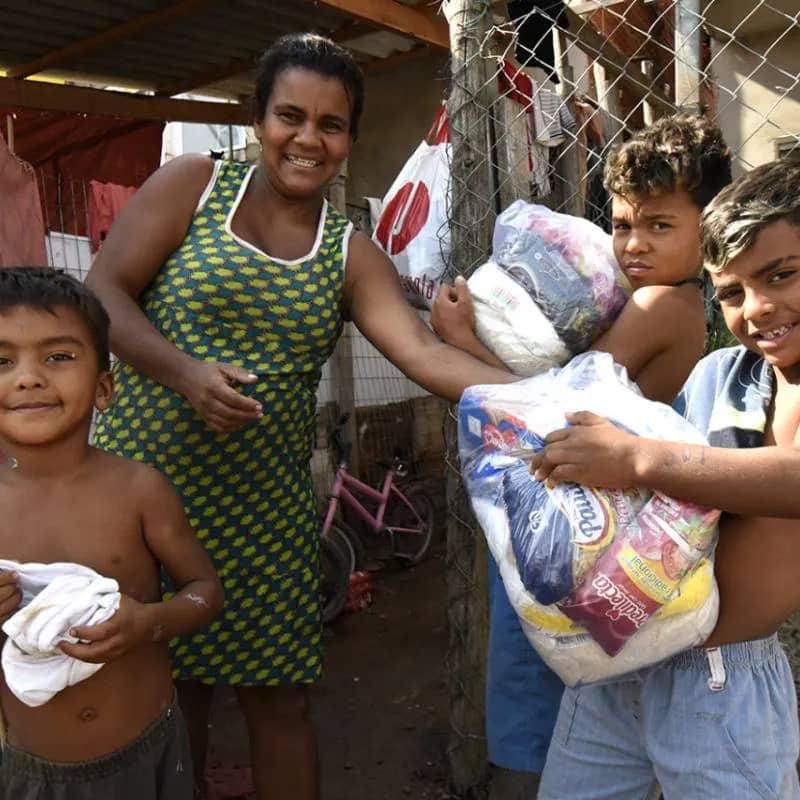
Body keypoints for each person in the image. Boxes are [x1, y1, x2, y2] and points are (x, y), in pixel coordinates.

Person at [85, 33, 514, 800]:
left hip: (262, 510)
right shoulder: (192, 187)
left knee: (277, 699)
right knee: (165, 694)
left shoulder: (348, 255)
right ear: (257, 120)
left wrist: (543, 398)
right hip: (142, 496)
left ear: (349, 137)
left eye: (332, 124)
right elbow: (102, 295)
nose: (309, 140)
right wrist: (184, 373)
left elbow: (421, 353)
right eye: (291, 116)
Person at [432, 113, 732, 795]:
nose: (632, 245)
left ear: (708, 224)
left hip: (577, 537)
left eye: (660, 226)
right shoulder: (683, 300)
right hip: (605, 537)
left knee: (533, 709)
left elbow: (551, 409)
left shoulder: (661, 304)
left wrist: (457, 341)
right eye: (623, 224)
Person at [530, 156, 800, 799]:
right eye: (731, 293)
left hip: (721, 682)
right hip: (621, 656)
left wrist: (637, 458)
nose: (757, 309)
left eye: (781, 276)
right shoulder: (719, 376)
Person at [0, 267, 223, 799]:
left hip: (151, 755)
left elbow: (206, 592)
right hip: (32, 771)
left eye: (58, 356)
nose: (28, 377)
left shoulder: (139, 490)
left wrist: (149, 622)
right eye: (2, 360)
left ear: (104, 387)